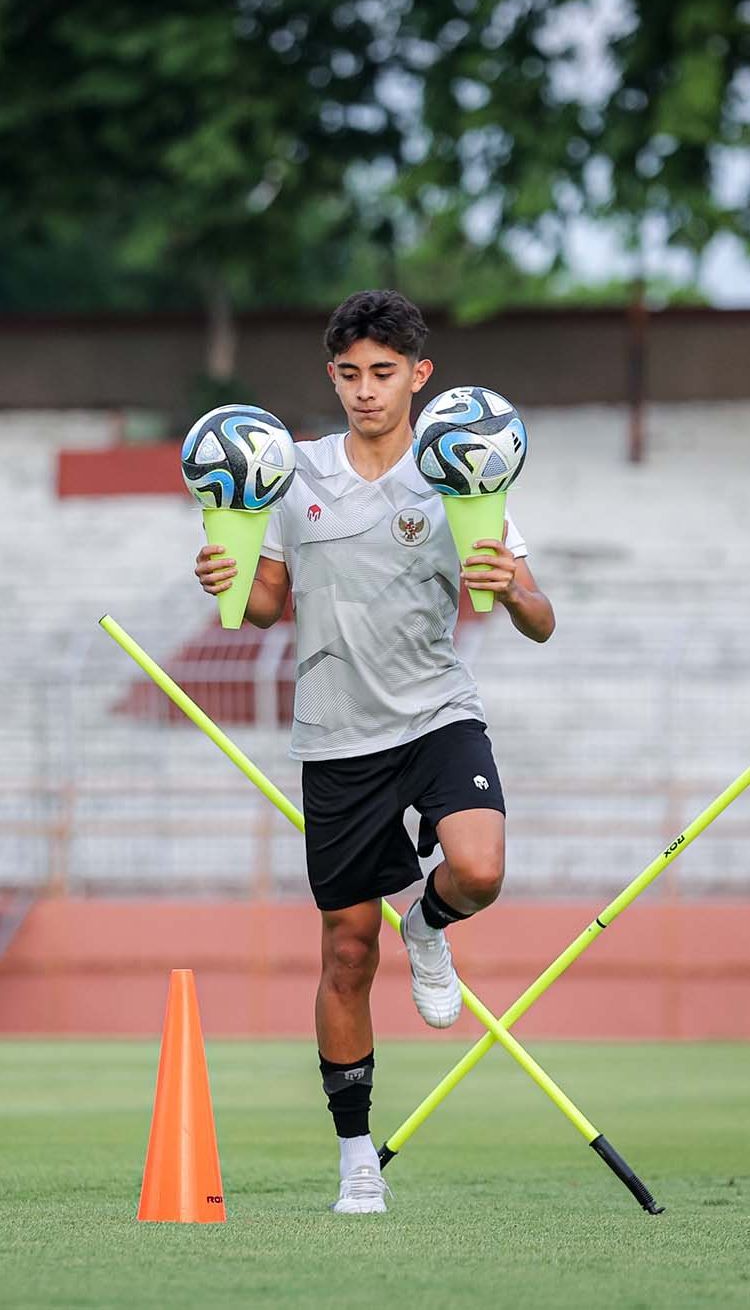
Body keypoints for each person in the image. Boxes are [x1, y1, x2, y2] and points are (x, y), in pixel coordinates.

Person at [194, 290, 555, 1214]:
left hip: (436, 714)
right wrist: (226, 580)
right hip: (336, 733)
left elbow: (541, 622)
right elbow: (268, 604)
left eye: (383, 374)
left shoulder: (459, 469)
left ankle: (429, 925)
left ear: (419, 377)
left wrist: (512, 587)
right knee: (348, 952)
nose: (365, 391)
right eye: (350, 374)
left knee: (477, 868)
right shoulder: (293, 474)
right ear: (333, 377)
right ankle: (357, 1159)